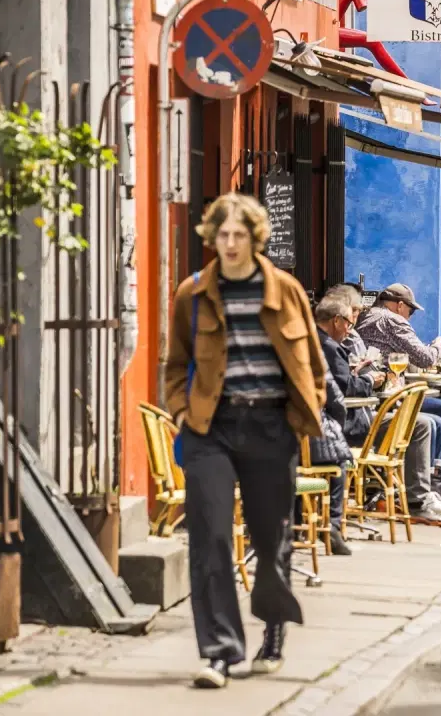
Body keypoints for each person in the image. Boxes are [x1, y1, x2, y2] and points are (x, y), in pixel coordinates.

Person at [165, 193, 326, 689]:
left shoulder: (287, 290)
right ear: (211, 238)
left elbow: (314, 365)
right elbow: (173, 365)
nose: (230, 243)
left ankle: (273, 630)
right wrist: (182, 413)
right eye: (222, 235)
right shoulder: (192, 294)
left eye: (240, 234)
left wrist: (306, 414)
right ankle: (218, 651)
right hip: (211, 427)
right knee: (209, 537)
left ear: (255, 238)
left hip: (271, 427)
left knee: (270, 538)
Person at [356, 285, 441, 506]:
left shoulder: (366, 316)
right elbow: (425, 358)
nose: (409, 318)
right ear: (400, 305)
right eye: (410, 312)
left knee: (440, 414)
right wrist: (439, 346)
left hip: (378, 397)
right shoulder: (393, 320)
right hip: (386, 400)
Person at [314, 295, 371, 556]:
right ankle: (332, 525)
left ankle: (304, 519)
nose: (350, 328)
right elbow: (337, 394)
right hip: (311, 431)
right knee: (339, 462)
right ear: (336, 320)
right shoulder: (324, 346)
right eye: (348, 321)